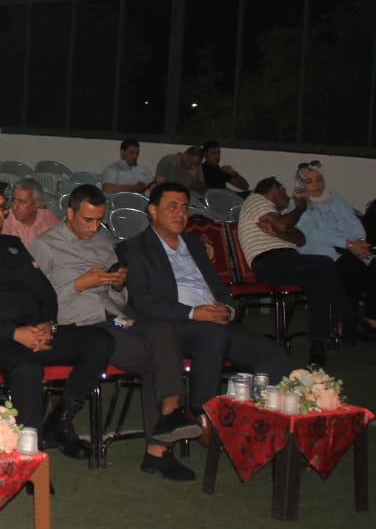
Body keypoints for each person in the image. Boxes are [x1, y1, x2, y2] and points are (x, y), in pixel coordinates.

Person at [29, 184, 203, 478]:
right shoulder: (45, 245)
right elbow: (36, 301)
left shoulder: (104, 239)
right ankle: (160, 446)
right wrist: (78, 285)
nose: (94, 227)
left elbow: (119, 298)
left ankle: (169, 416)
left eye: (99, 220)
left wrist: (118, 284)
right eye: (87, 220)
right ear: (69, 213)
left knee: (164, 330)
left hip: (116, 317)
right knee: (158, 359)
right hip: (81, 325)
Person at [0, 181, 116, 457]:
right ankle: (30, 449)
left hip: (36, 334)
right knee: (27, 366)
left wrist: (48, 325)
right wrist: (15, 334)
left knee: (100, 340)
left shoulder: (13, 246)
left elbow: (46, 293)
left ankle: (62, 417)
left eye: (2, 206)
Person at [119, 182, 291, 430]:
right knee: (213, 335)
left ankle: (264, 422)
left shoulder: (194, 244)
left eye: (184, 207)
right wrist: (193, 313)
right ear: (153, 211)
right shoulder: (135, 248)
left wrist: (228, 309)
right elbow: (142, 301)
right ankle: (202, 415)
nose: (180, 213)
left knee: (273, 352)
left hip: (214, 321)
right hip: (172, 326)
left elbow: (220, 288)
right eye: (172, 207)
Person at [238, 177, 364, 366]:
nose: (286, 196)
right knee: (325, 264)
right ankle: (349, 320)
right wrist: (301, 207)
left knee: (318, 284)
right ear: (273, 189)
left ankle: (317, 347)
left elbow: (300, 239)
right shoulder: (256, 200)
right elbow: (284, 225)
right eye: (283, 190)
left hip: (288, 259)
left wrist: (278, 233)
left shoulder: (273, 212)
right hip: (268, 261)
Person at [293, 160, 376, 322]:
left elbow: (354, 223)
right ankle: (346, 322)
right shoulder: (299, 205)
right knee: (352, 267)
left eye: (319, 180)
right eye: (310, 182)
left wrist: (359, 243)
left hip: (350, 248)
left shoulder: (335, 199)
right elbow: (315, 234)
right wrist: (349, 245)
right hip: (323, 254)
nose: (316, 185)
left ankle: (371, 317)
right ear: (301, 185)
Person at [2, 178, 59, 247]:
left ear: (37, 204)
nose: (15, 207)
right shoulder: (5, 220)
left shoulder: (48, 219)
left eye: (22, 202)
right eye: (14, 200)